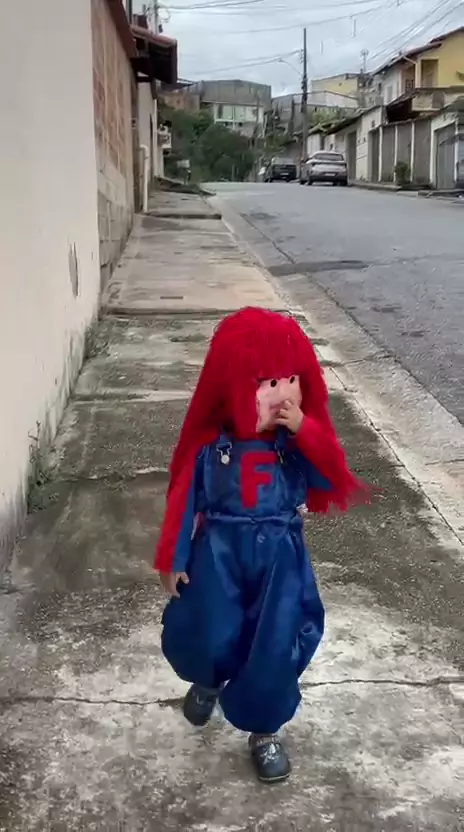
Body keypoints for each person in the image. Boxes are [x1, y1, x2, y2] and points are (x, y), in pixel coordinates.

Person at [154, 307, 367, 784]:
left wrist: (306, 431)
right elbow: (184, 498)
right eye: (269, 383)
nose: (284, 394)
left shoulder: (291, 445)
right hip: (218, 553)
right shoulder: (211, 444)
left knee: (275, 643)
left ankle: (265, 729)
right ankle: (209, 678)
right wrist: (173, 556)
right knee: (210, 628)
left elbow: (329, 477)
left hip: (280, 560)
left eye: (291, 380)